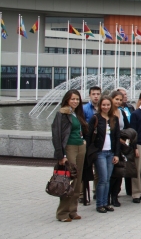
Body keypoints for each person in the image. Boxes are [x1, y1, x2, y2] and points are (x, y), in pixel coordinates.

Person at [52, 90, 88, 222]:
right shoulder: (61, 114)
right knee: (68, 180)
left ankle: (73, 210)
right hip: (69, 148)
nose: (75, 101)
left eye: (77, 99)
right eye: (73, 99)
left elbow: (80, 130)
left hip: (80, 147)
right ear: (67, 99)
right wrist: (61, 155)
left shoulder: (77, 113)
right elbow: (57, 135)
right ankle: (62, 213)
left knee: (78, 180)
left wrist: (83, 140)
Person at [85, 96, 121, 213]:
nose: (106, 107)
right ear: (100, 106)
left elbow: (116, 138)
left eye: (108, 105)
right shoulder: (95, 118)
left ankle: (106, 203)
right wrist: (90, 152)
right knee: (103, 179)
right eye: (104, 105)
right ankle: (100, 204)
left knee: (108, 179)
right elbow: (89, 136)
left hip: (110, 153)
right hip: (100, 153)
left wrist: (116, 154)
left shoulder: (114, 119)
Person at [107, 91, 129, 207]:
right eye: (116, 99)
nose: (118, 102)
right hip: (109, 146)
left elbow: (127, 127)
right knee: (110, 173)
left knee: (119, 172)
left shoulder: (122, 112)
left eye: (120, 100)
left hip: (121, 146)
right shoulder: (107, 113)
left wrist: (125, 140)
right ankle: (107, 196)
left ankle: (115, 196)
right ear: (111, 99)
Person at [116, 88, 135, 196]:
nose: (125, 97)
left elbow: (129, 125)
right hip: (117, 139)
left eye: (125, 94)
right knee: (118, 166)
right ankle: (115, 191)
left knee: (128, 164)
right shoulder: (113, 109)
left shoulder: (130, 107)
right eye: (121, 95)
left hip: (127, 139)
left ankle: (129, 190)